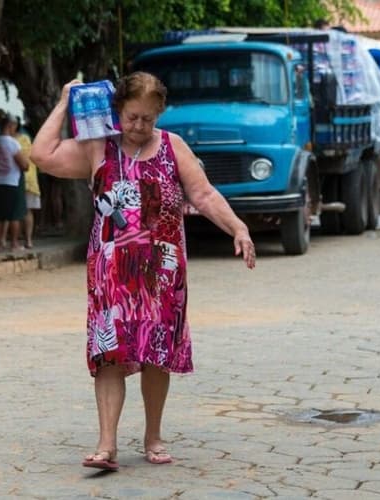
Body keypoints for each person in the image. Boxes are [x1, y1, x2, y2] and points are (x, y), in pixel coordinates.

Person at [30, 72, 256, 470]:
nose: (138, 126)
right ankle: (106, 446)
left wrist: (237, 227)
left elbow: (203, 194)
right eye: (132, 117)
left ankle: (153, 437)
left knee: (156, 354)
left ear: (159, 114)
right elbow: (41, 155)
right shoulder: (98, 146)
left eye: (147, 119)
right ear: (118, 110)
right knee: (109, 355)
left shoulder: (173, 147)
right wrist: (65, 102)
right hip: (111, 276)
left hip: (162, 276)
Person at [0, 114, 29, 251]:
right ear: (10, 125)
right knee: (14, 215)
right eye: (15, 127)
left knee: (0, 214)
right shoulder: (12, 143)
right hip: (12, 181)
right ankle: (14, 243)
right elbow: (24, 165)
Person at [15, 119, 40, 249]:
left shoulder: (15, 140)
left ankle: (20, 240)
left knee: (19, 211)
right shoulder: (26, 138)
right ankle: (28, 240)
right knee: (27, 211)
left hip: (20, 179)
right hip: (29, 178)